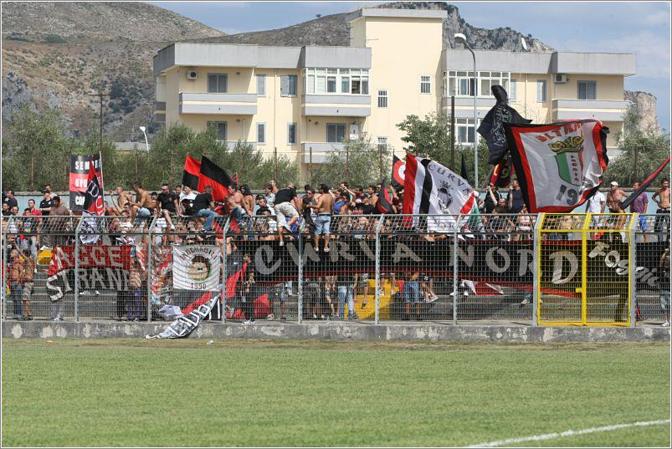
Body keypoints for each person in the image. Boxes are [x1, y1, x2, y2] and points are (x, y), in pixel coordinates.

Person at [309, 184, 333, 252]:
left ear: (322, 189)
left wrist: (309, 206)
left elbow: (318, 206)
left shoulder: (321, 197)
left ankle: (316, 247)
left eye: (320, 189)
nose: (319, 190)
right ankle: (326, 247)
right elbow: (331, 206)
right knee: (327, 231)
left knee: (317, 232)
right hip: (328, 215)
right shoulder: (330, 197)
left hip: (321, 215)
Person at [7, 248, 24, 320]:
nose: (11, 253)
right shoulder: (12, 263)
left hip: (17, 282)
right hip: (12, 282)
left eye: (12, 252)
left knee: (18, 299)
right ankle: (15, 314)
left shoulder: (19, 262)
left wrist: (18, 280)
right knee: (14, 299)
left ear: (16, 254)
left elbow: (22, 272)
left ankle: (19, 314)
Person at [20, 249, 34, 320]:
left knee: (26, 299)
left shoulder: (28, 260)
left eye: (23, 254)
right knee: (25, 300)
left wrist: (15, 245)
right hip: (27, 282)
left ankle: (28, 314)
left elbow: (20, 253)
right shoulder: (28, 261)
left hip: (28, 282)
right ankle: (27, 314)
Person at [659, 246, 670, 327]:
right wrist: (665, 253)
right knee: (664, 304)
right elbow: (661, 262)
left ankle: (669, 320)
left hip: (669, 288)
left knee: (669, 304)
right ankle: (667, 321)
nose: (666, 261)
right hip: (664, 287)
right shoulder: (662, 269)